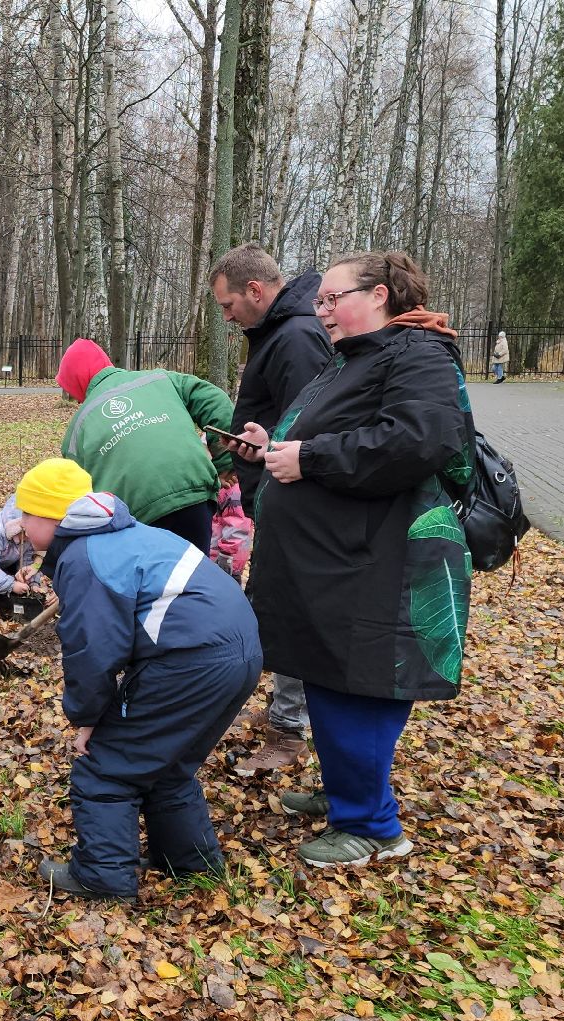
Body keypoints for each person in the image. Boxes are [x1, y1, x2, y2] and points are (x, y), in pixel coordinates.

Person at [225, 250, 474, 869]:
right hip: (333, 559)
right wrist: (272, 449)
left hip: (378, 562)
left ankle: (371, 825)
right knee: (329, 677)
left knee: (358, 684)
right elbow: (332, 434)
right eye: (320, 301)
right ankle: (348, 792)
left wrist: (309, 458)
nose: (322, 310)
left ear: (382, 295)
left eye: (333, 299)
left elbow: (422, 439)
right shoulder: (354, 359)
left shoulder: (419, 355)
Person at [15, 459, 262, 900]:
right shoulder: (127, 535)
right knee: (168, 764)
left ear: (52, 517)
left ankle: (103, 878)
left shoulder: (84, 558)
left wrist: (88, 719)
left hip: (191, 661)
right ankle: (190, 863)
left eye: (26, 514)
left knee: (106, 769)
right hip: (242, 653)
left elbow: (92, 652)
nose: (19, 525)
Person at [209, 242, 331, 773]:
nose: (228, 317)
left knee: (289, 608)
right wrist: (256, 442)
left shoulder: (297, 337)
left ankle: (290, 728)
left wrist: (270, 446)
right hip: (275, 489)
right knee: (273, 602)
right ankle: (283, 710)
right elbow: (289, 426)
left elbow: (312, 432)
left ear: (255, 291)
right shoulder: (279, 332)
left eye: (229, 305)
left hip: (296, 503)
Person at [56, 339, 234, 553]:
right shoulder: (160, 378)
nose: (77, 401)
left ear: (76, 381)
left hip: (136, 517)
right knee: (194, 576)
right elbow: (215, 400)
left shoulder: (76, 430)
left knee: (152, 581)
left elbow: (79, 495)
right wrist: (225, 462)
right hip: (193, 493)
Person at [209, 470, 252, 579]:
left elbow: (238, 525)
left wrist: (226, 555)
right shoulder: (221, 486)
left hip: (226, 560)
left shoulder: (234, 489)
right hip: (217, 557)